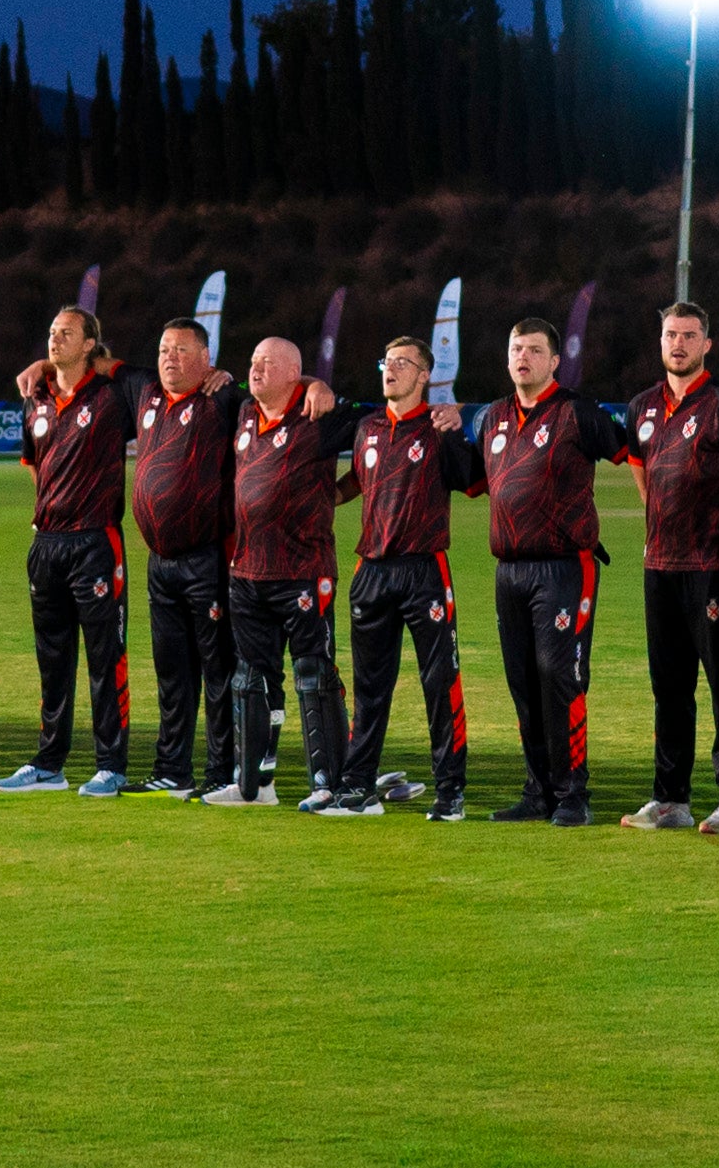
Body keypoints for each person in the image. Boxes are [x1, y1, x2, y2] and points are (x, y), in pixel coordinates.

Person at [469, 315, 638, 821]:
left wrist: (662, 515)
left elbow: (633, 455)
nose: (524, 357)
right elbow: (474, 480)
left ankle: (572, 796)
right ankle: (537, 792)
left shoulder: (577, 413)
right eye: (516, 348)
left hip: (565, 567)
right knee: (522, 681)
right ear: (506, 357)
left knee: (558, 676)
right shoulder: (493, 417)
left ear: (555, 361)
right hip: (509, 571)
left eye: (535, 350)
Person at [328, 331, 482, 817]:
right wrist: (323, 498)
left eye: (402, 361)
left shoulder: (438, 428)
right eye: (386, 360)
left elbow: (474, 481)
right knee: (369, 685)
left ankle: (450, 790)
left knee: (440, 681)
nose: (390, 368)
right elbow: (357, 481)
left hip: (423, 571)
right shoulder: (368, 426)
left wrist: (456, 427)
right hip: (370, 569)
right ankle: (357, 785)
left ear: (424, 374)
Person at [628, 303, 719, 830]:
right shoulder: (641, 408)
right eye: (671, 335)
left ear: (707, 344)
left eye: (689, 335)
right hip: (660, 565)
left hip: (714, 565)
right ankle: (671, 799)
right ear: (660, 341)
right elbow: (643, 478)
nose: (679, 344)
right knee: (668, 685)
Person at [5, 305, 141, 793]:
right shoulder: (35, 397)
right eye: (51, 331)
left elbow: (148, 383)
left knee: (106, 657)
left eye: (67, 333)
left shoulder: (111, 397)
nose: (54, 339)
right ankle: (49, 764)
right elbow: (34, 465)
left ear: (89, 345)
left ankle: (111, 765)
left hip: (95, 543)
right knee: (52, 659)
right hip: (46, 543)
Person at [214, 332, 353, 805]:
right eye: (253, 359)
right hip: (248, 571)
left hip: (303, 571)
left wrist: (342, 492)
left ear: (294, 375)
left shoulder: (321, 416)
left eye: (268, 363)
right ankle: (253, 785)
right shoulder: (243, 412)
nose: (256, 368)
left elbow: (384, 435)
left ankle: (329, 785)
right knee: (251, 679)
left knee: (314, 676)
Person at [119, 317, 238, 799]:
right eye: (165, 348)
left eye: (182, 350)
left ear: (206, 359)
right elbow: (98, 363)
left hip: (207, 558)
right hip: (160, 562)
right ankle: (171, 768)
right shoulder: (144, 392)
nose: (170, 357)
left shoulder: (222, 399)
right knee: (172, 671)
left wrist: (236, 378)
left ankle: (222, 771)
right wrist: (44, 363)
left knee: (218, 670)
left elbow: (280, 394)